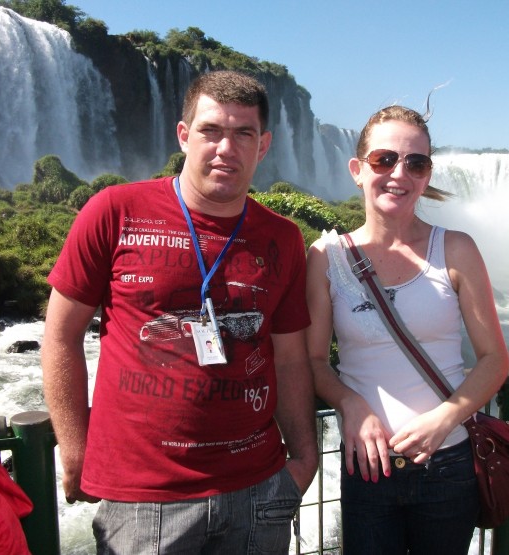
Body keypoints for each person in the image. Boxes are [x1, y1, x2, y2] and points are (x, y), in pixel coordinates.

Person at [41, 70, 318, 554]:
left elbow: (290, 357)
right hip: (144, 498)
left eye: (243, 133)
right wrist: (75, 450)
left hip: (258, 490)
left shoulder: (283, 237)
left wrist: (305, 458)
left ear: (263, 145)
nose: (225, 148)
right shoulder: (114, 211)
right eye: (211, 130)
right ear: (184, 135)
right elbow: (61, 336)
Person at [305, 105, 509, 555]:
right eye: (384, 160)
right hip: (367, 466)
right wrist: (349, 402)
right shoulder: (326, 257)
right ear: (358, 170)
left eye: (415, 163)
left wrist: (444, 419)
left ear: (426, 174)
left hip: (448, 463)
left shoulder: (455, 249)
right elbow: (314, 361)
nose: (399, 173)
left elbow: (495, 359)